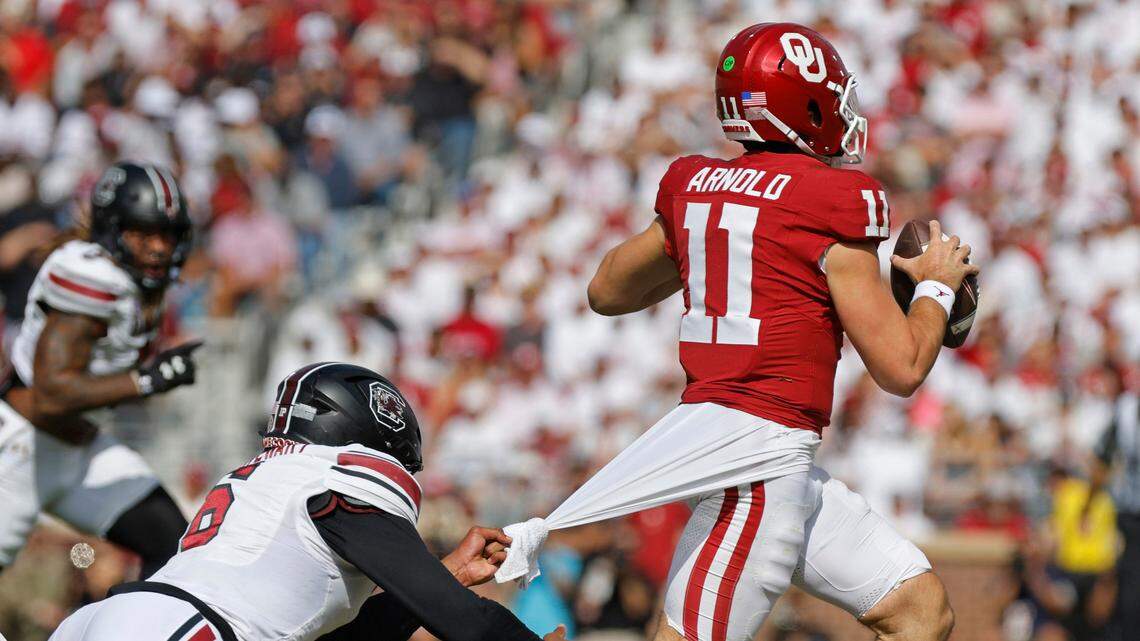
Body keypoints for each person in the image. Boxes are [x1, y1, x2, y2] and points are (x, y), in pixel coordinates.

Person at [573, 23, 978, 641]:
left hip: (763, 460)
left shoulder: (694, 186)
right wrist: (935, 287)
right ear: (807, 107)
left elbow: (606, 290)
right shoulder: (830, 198)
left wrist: (692, 248)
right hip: (756, 466)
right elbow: (901, 367)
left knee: (920, 611)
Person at [49, 362, 567, 641]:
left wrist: (445, 573)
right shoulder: (339, 478)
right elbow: (464, 622)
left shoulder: (263, 483)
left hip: (106, 621)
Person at [0, 161, 199, 578]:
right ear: (113, 229)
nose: (159, 247)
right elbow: (51, 393)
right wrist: (146, 380)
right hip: (20, 452)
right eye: (144, 232)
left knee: (178, 550)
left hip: (83, 450)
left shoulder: (135, 279)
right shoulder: (90, 275)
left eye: (167, 233)